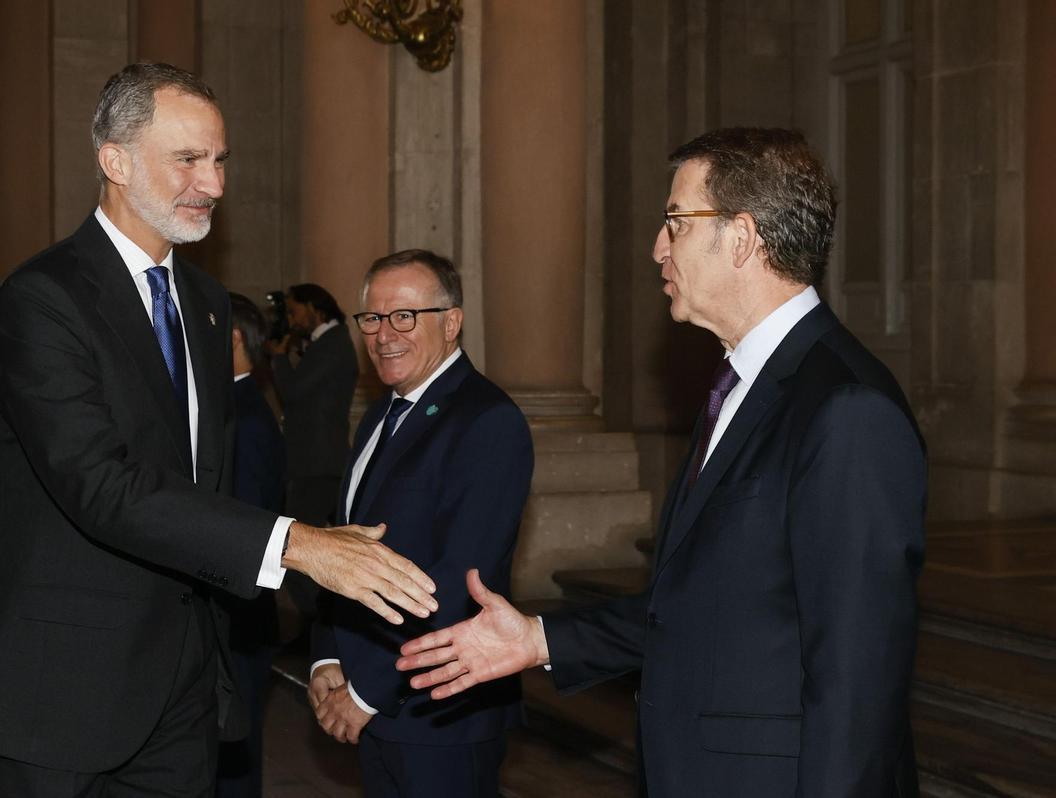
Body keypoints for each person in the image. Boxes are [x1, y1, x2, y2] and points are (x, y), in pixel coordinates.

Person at [397, 128, 927, 797]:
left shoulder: (846, 408)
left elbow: (858, 682)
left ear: (741, 238)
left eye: (674, 222)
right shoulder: (745, 384)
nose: (657, 247)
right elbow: (693, 612)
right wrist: (537, 640)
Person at [0, 62, 437, 796]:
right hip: (61, 696)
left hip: (183, 689)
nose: (213, 184)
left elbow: (203, 480)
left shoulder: (208, 305)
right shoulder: (42, 299)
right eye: (188, 159)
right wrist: (299, 545)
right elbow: (103, 486)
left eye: (219, 161)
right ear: (114, 161)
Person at [310, 250, 533, 798]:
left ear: (451, 322)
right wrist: (328, 655)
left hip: (441, 714)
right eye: (372, 318)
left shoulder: (488, 420)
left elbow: (459, 580)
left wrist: (365, 693)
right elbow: (345, 548)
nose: (385, 334)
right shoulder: (379, 416)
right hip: (374, 699)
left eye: (405, 316)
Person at [215, 291, 285, 798]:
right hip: (233, 616)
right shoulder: (232, 408)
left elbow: (246, 526)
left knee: (235, 756)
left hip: (239, 618)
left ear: (234, 339)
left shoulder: (248, 419)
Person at [268, 282, 358, 629]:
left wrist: (278, 356)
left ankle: (319, 625)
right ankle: (324, 623)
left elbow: (292, 391)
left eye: (294, 311)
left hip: (318, 464)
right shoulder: (324, 344)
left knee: (292, 551)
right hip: (316, 463)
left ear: (314, 307)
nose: (291, 320)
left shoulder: (333, 345)